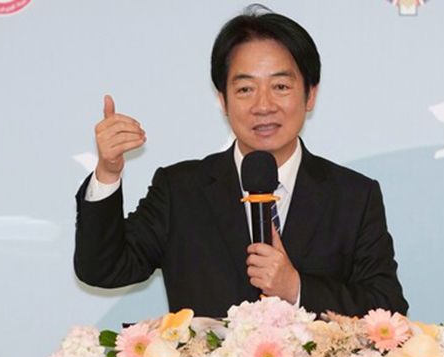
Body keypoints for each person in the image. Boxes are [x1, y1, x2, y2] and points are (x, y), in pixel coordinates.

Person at [74, 5, 408, 318]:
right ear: (222, 100)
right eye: (245, 89)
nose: (263, 106)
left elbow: (388, 310)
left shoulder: (353, 196)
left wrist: (295, 288)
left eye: (280, 86)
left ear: (310, 95)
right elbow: (103, 269)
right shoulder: (181, 189)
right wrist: (108, 172)